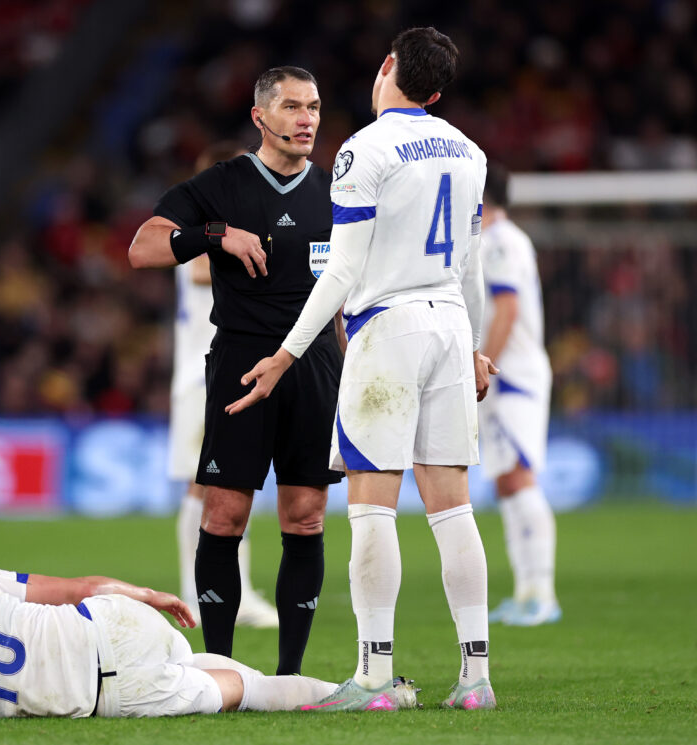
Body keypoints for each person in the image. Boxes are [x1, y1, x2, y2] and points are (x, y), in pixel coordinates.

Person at [226, 28, 499, 711]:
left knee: (373, 505)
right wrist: (473, 349)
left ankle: (375, 673)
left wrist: (287, 352)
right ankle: (476, 677)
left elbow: (344, 268)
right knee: (453, 505)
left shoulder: (364, 149)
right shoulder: (471, 152)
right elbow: (472, 266)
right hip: (449, 324)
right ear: (435, 91)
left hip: (390, 328)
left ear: (387, 69)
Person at [129, 67, 345, 676]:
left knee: (305, 515)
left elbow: (352, 299)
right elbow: (142, 248)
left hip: (313, 367)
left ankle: (289, 675)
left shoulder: (337, 192)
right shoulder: (222, 184)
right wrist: (215, 234)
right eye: (294, 107)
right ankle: (219, 667)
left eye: (315, 107)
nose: (307, 119)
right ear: (261, 118)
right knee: (223, 514)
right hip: (241, 366)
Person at [0, 568, 396, 718]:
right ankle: (365, 689)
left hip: (107, 695)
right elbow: (74, 590)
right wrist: (148, 595)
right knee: (197, 660)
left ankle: (360, 695)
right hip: (108, 623)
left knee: (240, 689)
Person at [170, 142, 278, 630]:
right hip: (200, 376)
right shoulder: (197, 233)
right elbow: (195, 271)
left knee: (230, 482)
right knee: (205, 486)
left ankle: (234, 589)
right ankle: (196, 595)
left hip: (222, 371)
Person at [477, 165, 560, 626]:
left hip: (512, 375)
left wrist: (485, 362)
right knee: (507, 480)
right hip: (506, 374)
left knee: (519, 477)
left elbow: (507, 308)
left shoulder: (502, 240)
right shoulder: (493, 241)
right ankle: (527, 590)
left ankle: (541, 593)